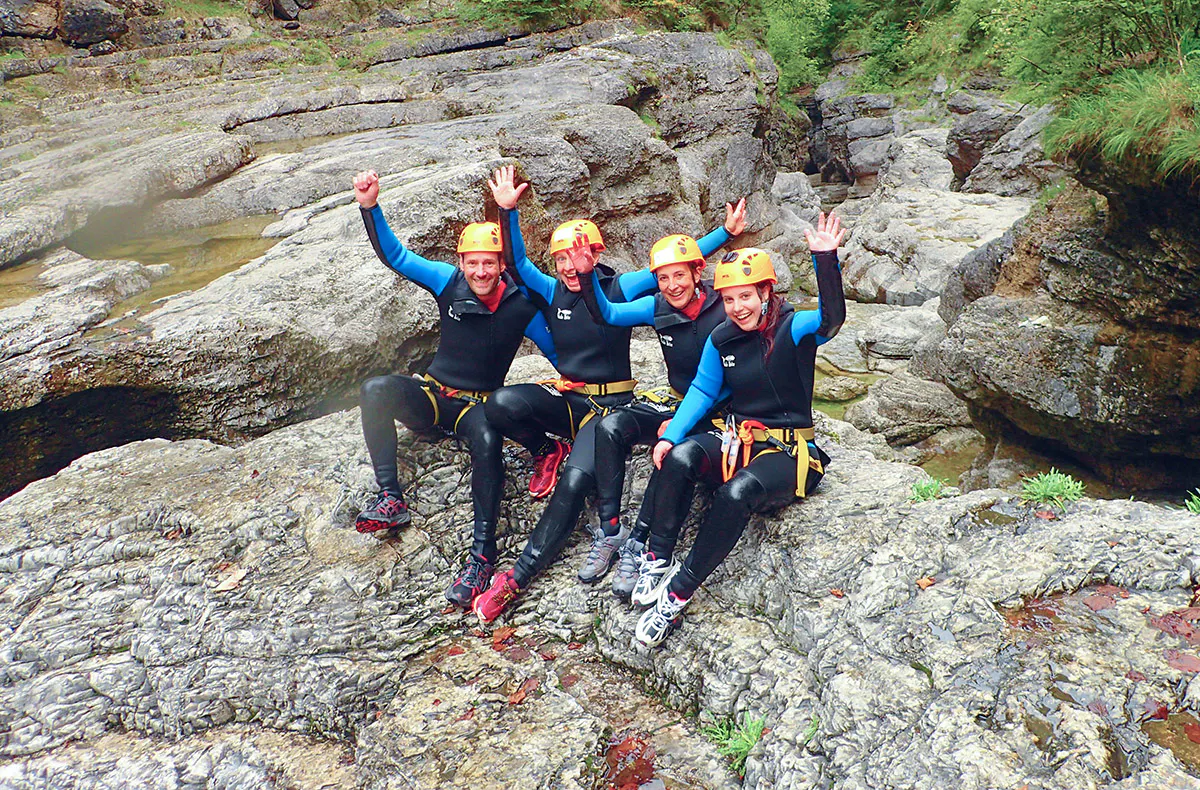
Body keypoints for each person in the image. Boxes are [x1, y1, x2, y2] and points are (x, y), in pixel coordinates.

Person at [471, 165, 739, 622]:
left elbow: (676, 269)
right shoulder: (548, 287)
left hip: (610, 404)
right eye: (562, 260)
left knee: (576, 483)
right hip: (570, 400)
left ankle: (517, 578)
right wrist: (507, 212)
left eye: (581, 256)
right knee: (499, 404)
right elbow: (516, 264)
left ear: (597, 254)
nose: (571, 267)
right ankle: (546, 451)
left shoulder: (623, 286)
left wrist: (723, 235)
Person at [632, 212, 847, 648]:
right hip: (739, 440)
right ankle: (657, 556)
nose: (737, 308)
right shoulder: (723, 338)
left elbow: (831, 320)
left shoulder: (795, 327)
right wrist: (671, 435)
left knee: (736, 493)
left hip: (789, 453)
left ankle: (678, 591)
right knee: (680, 457)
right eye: (729, 299)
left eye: (746, 297)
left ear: (767, 293)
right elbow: (702, 388)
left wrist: (826, 260)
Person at [350, 169, 558, 609]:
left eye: (490, 263)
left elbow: (557, 351)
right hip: (432, 398)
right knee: (374, 390)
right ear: (462, 263)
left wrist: (585, 389)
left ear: (503, 264)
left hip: (476, 410)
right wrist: (370, 206)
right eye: (473, 263)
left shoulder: (522, 304)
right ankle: (390, 497)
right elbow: (398, 257)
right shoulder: (448, 282)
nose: (481, 271)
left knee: (487, 439)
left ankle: (482, 557)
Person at [565, 200, 745, 594]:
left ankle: (639, 545)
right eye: (662, 278)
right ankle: (611, 529)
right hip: (678, 400)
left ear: (699, 273)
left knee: (670, 446)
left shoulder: (726, 307)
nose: (672, 285)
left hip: (719, 411)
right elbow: (608, 314)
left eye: (679, 275)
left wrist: (726, 234)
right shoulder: (655, 306)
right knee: (611, 425)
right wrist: (586, 274)